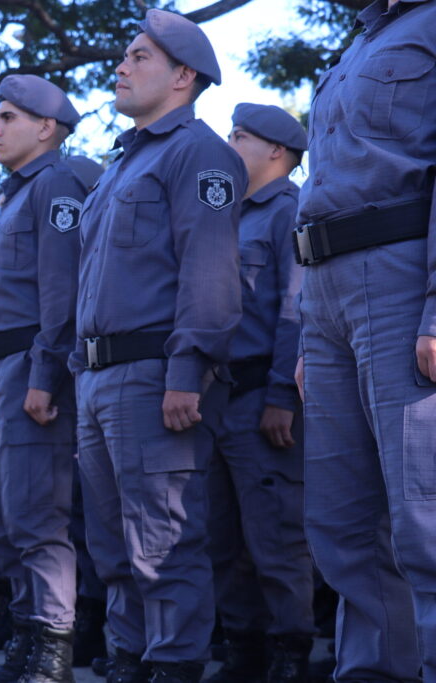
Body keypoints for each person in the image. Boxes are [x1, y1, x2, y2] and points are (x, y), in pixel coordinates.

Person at [71, 10, 246, 682]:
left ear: (183, 76)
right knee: (113, 544)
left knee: (164, 540)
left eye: (139, 56)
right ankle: (129, 659)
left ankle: (172, 666)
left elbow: (209, 272)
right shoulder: (123, 160)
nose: (121, 65)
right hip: (97, 377)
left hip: (151, 374)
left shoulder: (198, 152)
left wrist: (188, 369)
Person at [294, 0, 436, 680]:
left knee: (424, 517)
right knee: (341, 520)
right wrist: (303, 336)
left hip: (403, 274)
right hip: (325, 293)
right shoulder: (357, 45)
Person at [0, 73, 88, 682]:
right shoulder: (16, 193)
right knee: (2, 515)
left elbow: (60, 294)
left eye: (7, 117)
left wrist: (45, 374)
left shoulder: (57, 185)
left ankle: (52, 653)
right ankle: (25, 636)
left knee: (37, 517)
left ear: (46, 127)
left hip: (28, 368)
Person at [206, 103, 314, 683]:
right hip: (218, 398)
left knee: (275, 535)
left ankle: (290, 653)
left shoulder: (287, 211)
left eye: (239, 137)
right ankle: (242, 650)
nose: (229, 145)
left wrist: (280, 396)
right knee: (223, 538)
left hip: (261, 399)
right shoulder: (230, 214)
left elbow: (294, 312)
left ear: (276, 150)